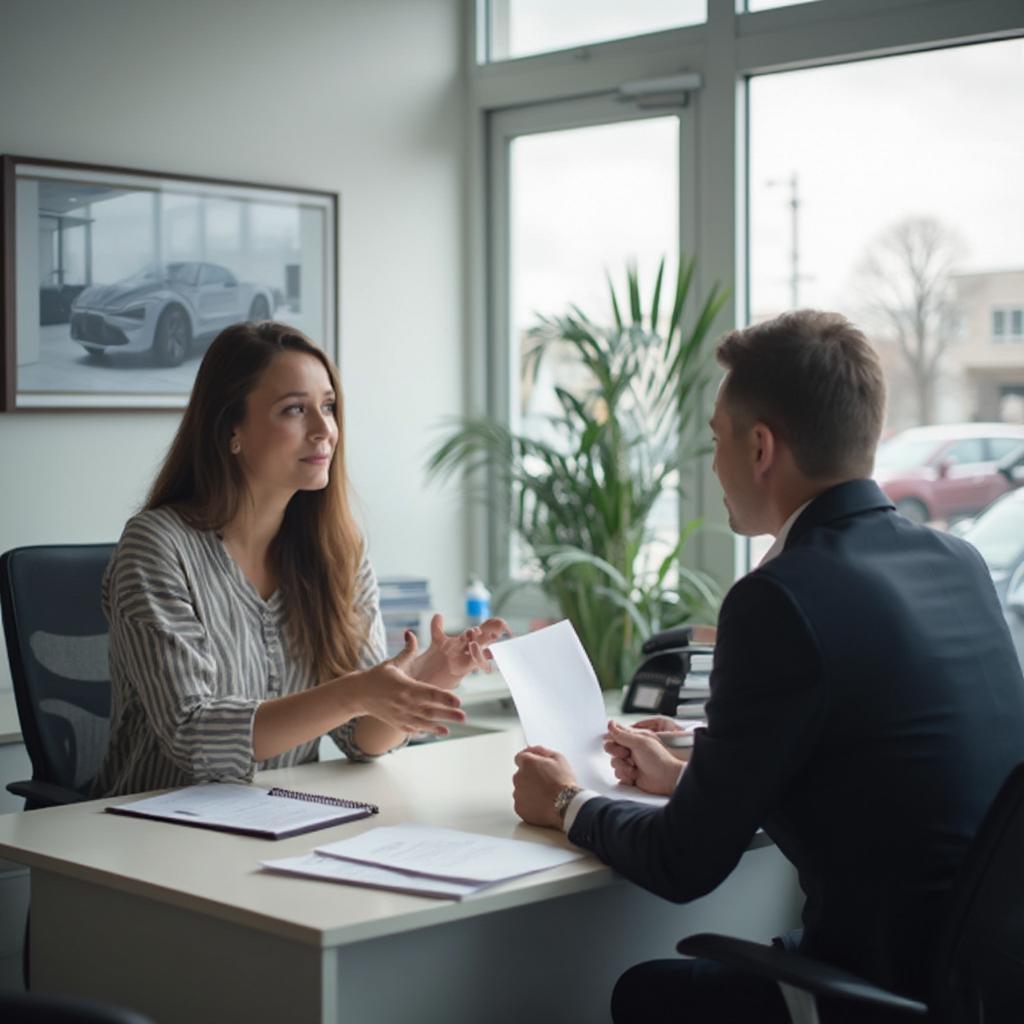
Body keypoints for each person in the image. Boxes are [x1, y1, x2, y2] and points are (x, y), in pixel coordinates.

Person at [511, 310, 1024, 1022]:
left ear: (760, 448)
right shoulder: (957, 563)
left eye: (716, 438)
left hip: (887, 996)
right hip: (987, 986)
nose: (712, 460)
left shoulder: (780, 598)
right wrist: (690, 776)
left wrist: (567, 803)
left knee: (647, 994)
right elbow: (879, 783)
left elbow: (682, 863)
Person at [96, 320, 507, 797]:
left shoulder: (341, 553)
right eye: (294, 409)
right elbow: (194, 737)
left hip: (280, 823)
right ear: (231, 428)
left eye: (328, 407)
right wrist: (353, 692)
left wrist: (427, 682)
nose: (324, 430)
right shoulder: (157, 547)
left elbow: (363, 740)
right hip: (149, 828)